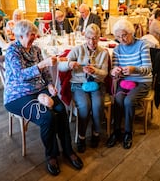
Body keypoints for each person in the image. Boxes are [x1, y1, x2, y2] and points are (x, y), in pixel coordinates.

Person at [3, 20, 83, 176]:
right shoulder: (12, 51)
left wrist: (50, 85)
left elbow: (46, 73)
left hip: (40, 89)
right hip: (18, 95)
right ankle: (51, 155)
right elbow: (20, 76)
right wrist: (41, 65)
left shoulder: (36, 50)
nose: (34, 36)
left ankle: (67, 150)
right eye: (30, 34)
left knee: (61, 110)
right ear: (20, 35)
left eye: (34, 34)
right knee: (47, 117)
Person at [58, 23, 109, 153]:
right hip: (78, 83)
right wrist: (69, 64)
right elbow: (61, 66)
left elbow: (105, 73)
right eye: (89, 38)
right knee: (85, 106)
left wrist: (95, 71)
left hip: (96, 83)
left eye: (95, 38)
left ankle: (96, 133)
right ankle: (81, 136)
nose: (92, 41)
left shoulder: (103, 52)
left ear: (99, 38)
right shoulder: (77, 49)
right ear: (85, 37)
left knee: (97, 105)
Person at [106, 19, 152, 149]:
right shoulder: (117, 50)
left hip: (142, 81)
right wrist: (114, 71)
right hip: (126, 81)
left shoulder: (142, 45)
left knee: (128, 101)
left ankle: (128, 132)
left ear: (131, 32)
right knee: (118, 99)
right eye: (118, 37)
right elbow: (113, 70)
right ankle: (116, 131)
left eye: (124, 35)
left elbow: (148, 69)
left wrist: (134, 69)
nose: (122, 39)